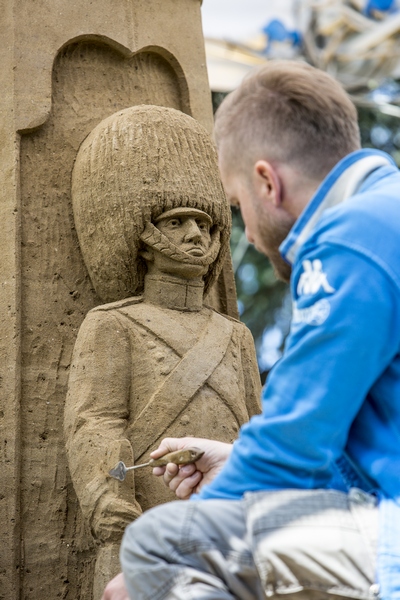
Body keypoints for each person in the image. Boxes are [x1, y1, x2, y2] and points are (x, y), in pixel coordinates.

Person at [102, 61, 400, 600]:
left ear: (267, 181)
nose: (251, 238)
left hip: (388, 533)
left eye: (236, 208)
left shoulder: (348, 241)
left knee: (155, 550)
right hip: (376, 509)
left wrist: (235, 498)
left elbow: (296, 437)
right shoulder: (384, 216)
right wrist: (239, 461)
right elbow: (346, 434)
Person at [64, 105, 261, 592]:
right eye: (177, 222)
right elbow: (95, 421)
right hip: (146, 530)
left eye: (205, 224)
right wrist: (112, 506)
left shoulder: (235, 335)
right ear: (144, 237)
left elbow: (256, 428)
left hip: (229, 529)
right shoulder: (112, 324)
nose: (196, 235)